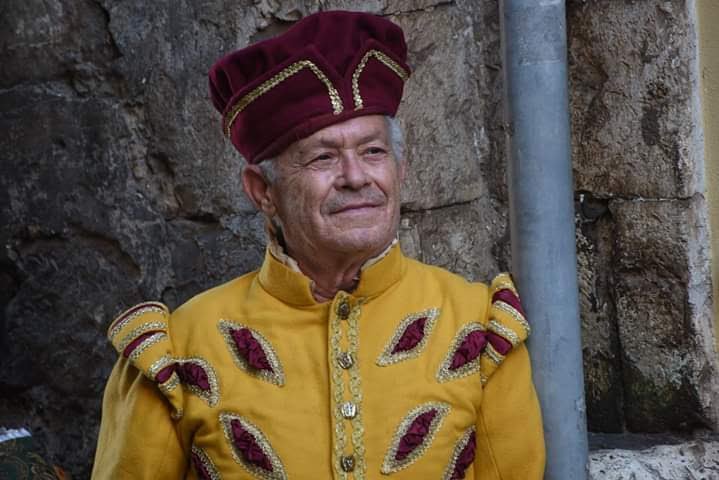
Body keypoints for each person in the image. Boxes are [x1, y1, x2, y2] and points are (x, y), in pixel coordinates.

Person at [92, 10, 545, 480]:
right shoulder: (181, 349)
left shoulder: (477, 329)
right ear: (262, 191)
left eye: (373, 151)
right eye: (323, 158)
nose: (355, 177)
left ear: (400, 170)